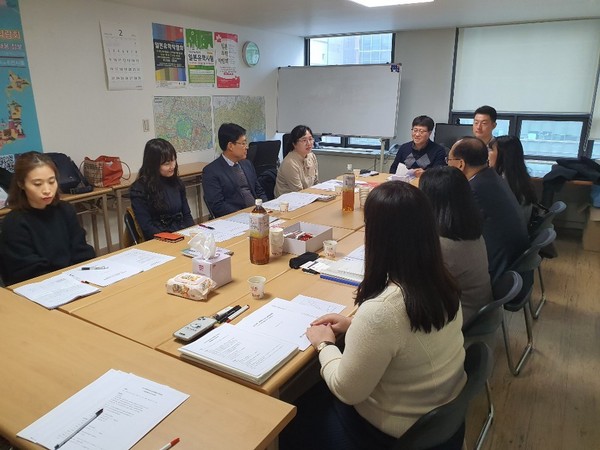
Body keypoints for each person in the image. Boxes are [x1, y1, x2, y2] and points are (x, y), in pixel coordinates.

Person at [280, 181, 466, 450]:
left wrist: (324, 344)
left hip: (390, 437)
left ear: (379, 237)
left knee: (286, 419)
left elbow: (346, 390)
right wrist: (354, 325)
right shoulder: (440, 281)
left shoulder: (384, 310)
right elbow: (404, 336)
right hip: (439, 426)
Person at [0, 151, 95, 285]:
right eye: (37, 184)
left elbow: (82, 251)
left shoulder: (65, 210)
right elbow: (28, 271)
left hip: (75, 281)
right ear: (21, 184)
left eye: (51, 181)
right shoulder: (14, 223)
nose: (47, 190)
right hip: (39, 287)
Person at [447, 136, 529, 280]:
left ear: (461, 164)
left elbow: (453, 228)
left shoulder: (473, 190)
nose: (447, 165)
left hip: (496, 267)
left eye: (449, 160)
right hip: (513, 262)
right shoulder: (492, 178)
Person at [420, 166, 493, 324]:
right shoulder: (467, 228)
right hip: (475, 308)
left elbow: (414, 288)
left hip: (458, 317)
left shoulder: (443, 245)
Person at [130, 138, 195, 240]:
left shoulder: (177, 183)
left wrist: (193, 232)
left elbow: (187, 215)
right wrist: (172, 239)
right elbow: (147, 227)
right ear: (153, 165)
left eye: (173, 160)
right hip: (160, 238)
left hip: (181, 233)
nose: (172, 166)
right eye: (166, 164)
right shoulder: (139, 189)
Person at [203, 123, 267, 218]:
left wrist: (266, 208)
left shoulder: (247, 164)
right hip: (236, 219)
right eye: (243, 143)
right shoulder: (211, 171)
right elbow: (218, 205)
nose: (247, 147)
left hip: (258, 214)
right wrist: (244, 215)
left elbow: (259, 191)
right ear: (230, 146)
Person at [489, 135, 538, 224]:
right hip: (519, 227)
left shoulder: (502, 181)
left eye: (491, 150)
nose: (487, 154)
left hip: (508, 228)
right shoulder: (518, 176)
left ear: (502, 155)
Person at [274, 125, 319, 197]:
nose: (309, 143)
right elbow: (298, 191)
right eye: (304, 140)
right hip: (288, 201)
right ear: (294, 144)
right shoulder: (290, 163)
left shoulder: (312, 156)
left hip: (308, 197)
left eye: (310, 139)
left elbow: (316, 183)